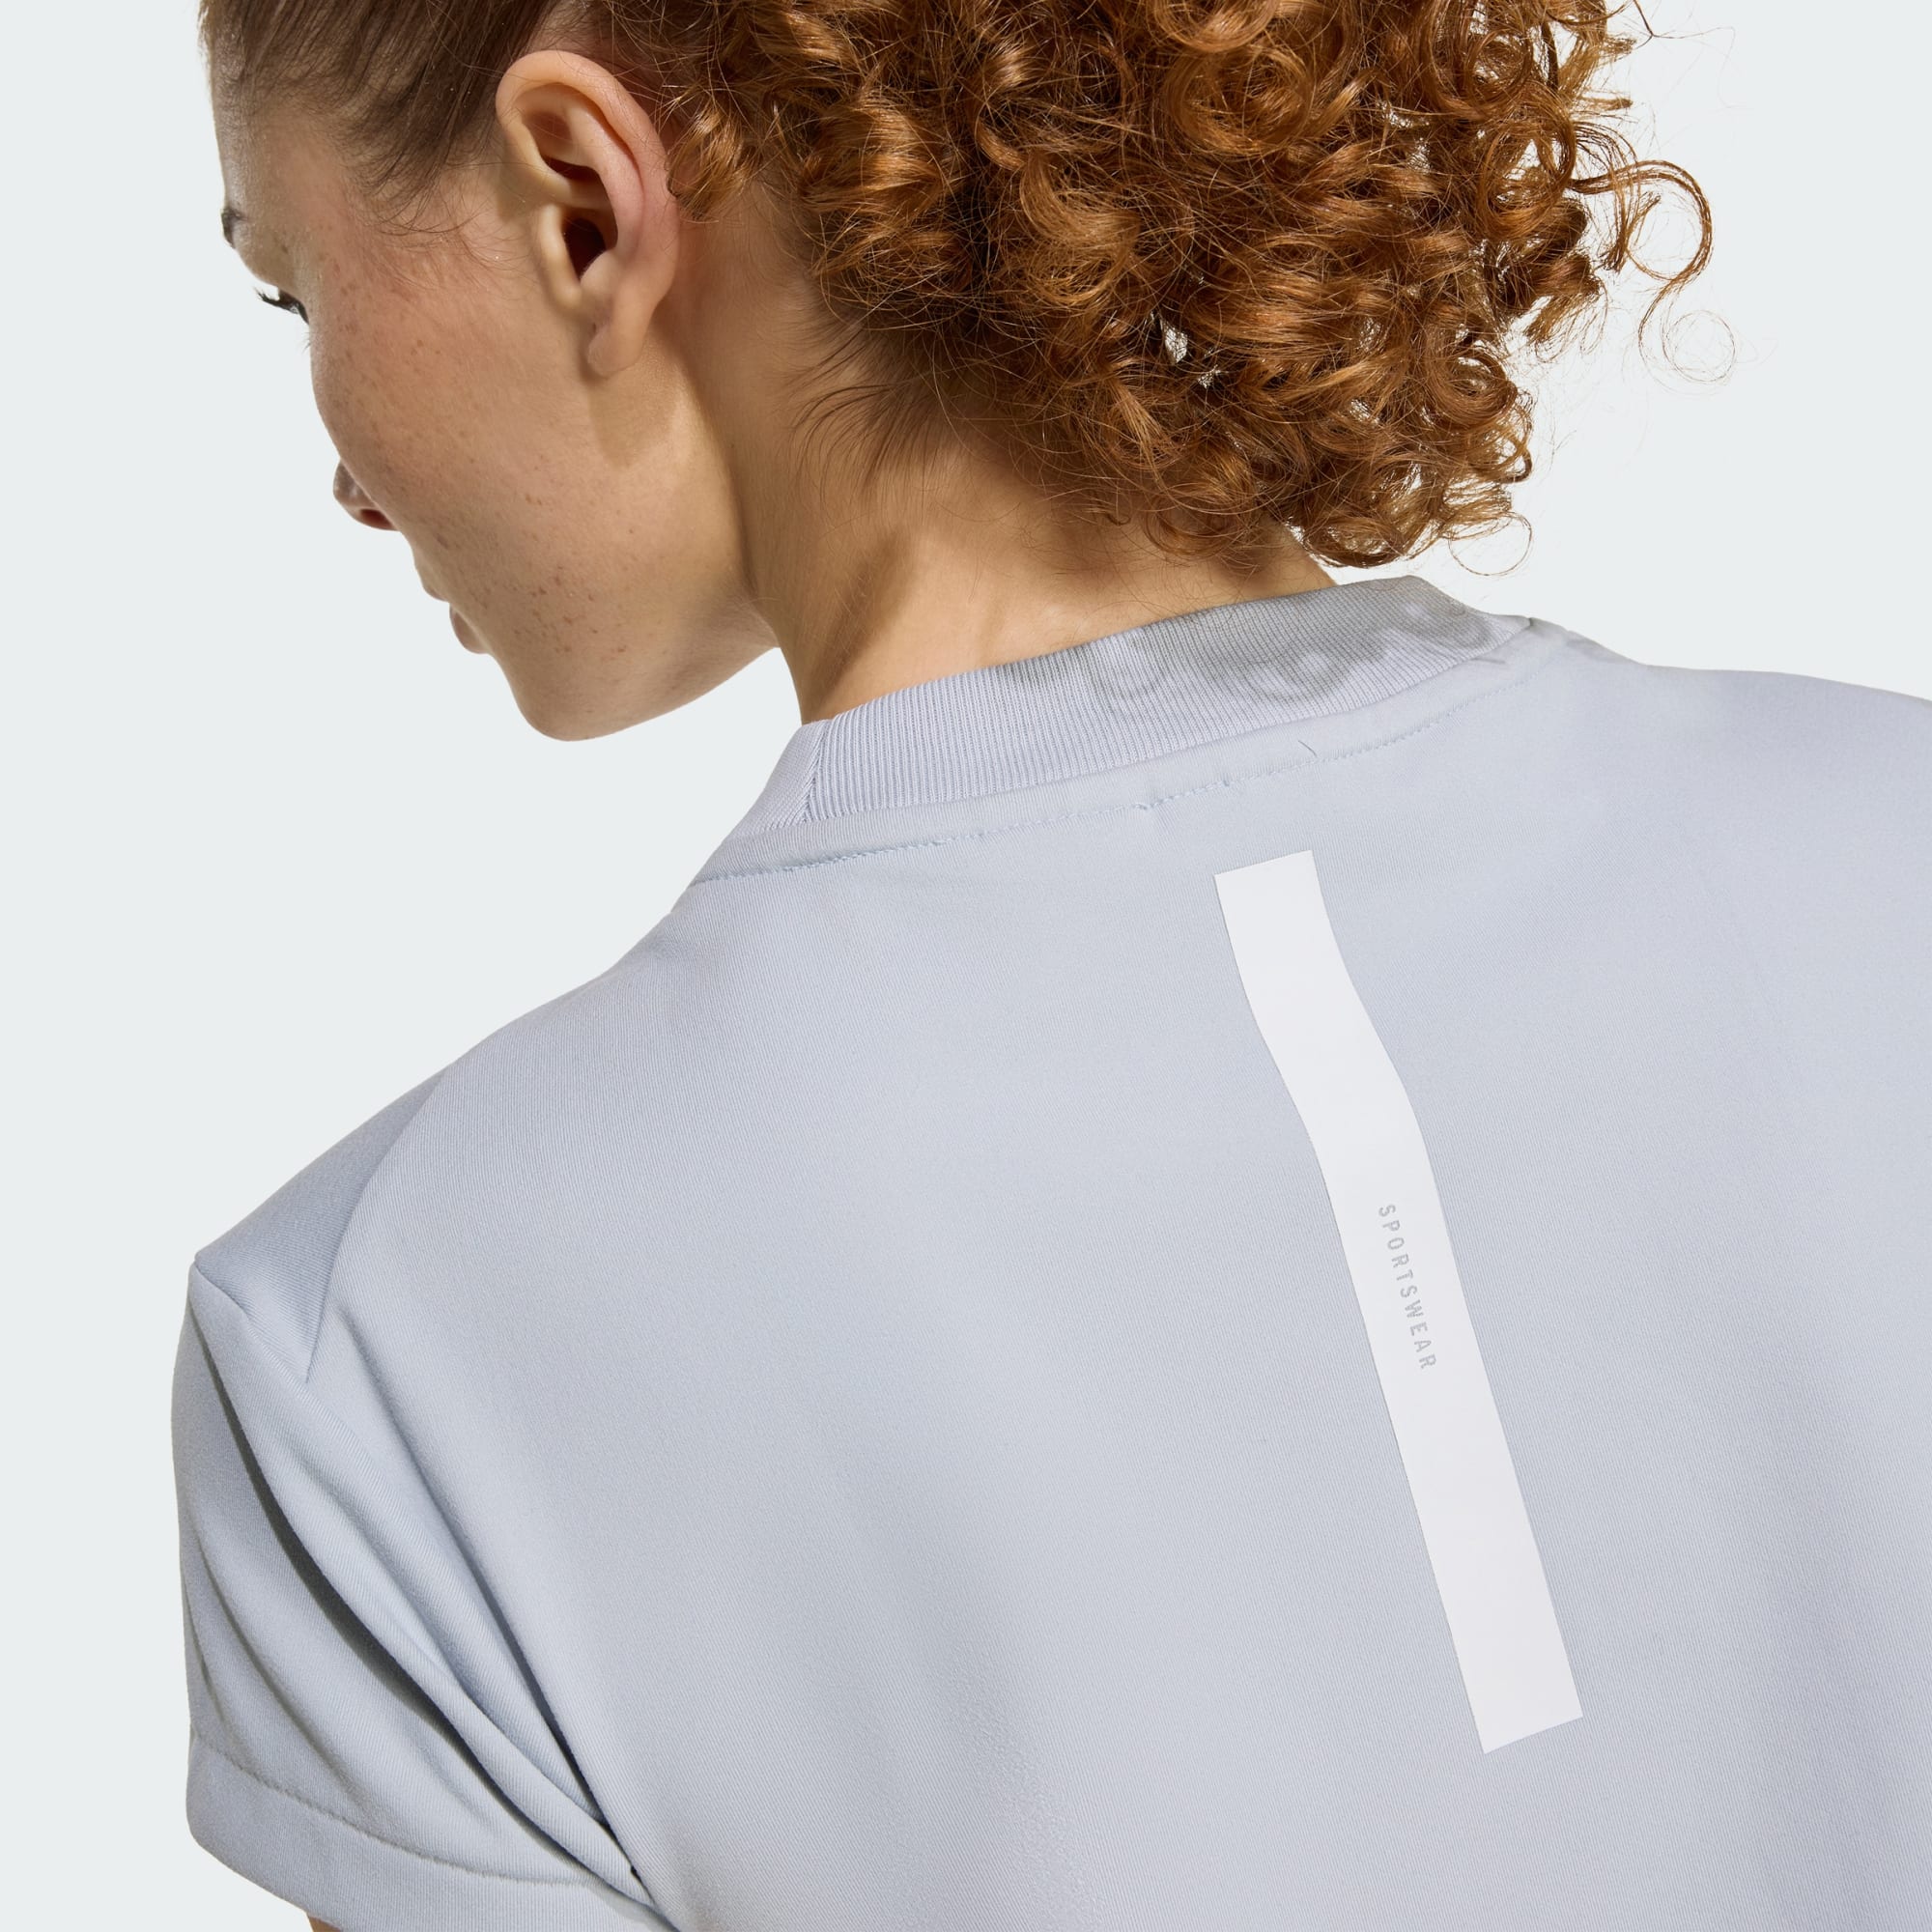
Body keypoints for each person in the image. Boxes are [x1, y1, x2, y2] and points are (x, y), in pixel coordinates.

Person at [173, 2, 1930, 1928]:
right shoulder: (1885, 842)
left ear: (583, 203)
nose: (346, 479)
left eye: (291, 288)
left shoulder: (381, 1350)